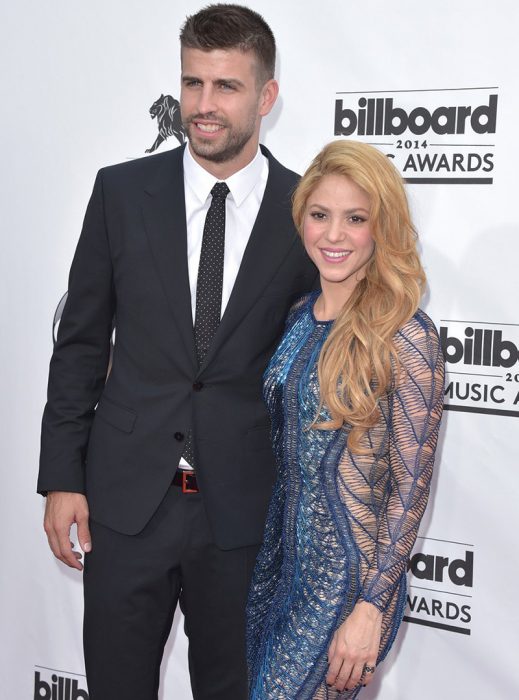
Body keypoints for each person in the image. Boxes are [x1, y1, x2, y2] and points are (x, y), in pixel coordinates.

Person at [37, 5, 317, 699]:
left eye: (225, 87)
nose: (203, 106)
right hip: (126, 504)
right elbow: (78, 345)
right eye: (192, 84)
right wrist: (61, 477)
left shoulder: (306, 210)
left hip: (244, 512)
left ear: (266, 96)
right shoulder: (121, 192)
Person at [247, 140, 445, 699]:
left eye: (355, 219)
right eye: (320, 215)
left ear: (381, 227)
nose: (333, 235)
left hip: (347, 587)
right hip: (277, 573)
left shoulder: (406, 335)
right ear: (302, 219)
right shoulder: (295, 317)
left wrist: (371, 608)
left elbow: (409, 491)